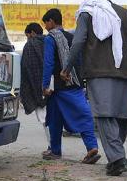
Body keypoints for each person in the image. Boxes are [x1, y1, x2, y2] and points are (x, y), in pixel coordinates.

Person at [62, 0, 127, 175]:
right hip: (123, 72)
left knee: (105, 116)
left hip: (98, 72)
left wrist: (67, 67)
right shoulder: (124, 14)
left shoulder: (87, 11)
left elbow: (78, 41)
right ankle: (116, 156)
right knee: (121, 116)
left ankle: (118, 159)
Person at [40, 9, 99, 161]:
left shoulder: (50, 38)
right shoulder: (73, 37)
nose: (45, 27)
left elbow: (48, 63)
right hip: (75, 83)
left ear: (51, 21)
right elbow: (80, 61)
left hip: (58, 86)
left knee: (80, 115)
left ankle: (90, 147)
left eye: (46, 23)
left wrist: (45, 85)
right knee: (57, 118)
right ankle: (58, 150)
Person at [19, 22, 50, 149]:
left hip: (38, 88)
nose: (27, 39)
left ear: (32, 33)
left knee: (44, 119)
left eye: (27, 36)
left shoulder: (30, 45)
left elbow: (28, 69)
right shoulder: (49, 41)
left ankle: (52, 147)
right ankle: (54, 146)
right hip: (53, 86)